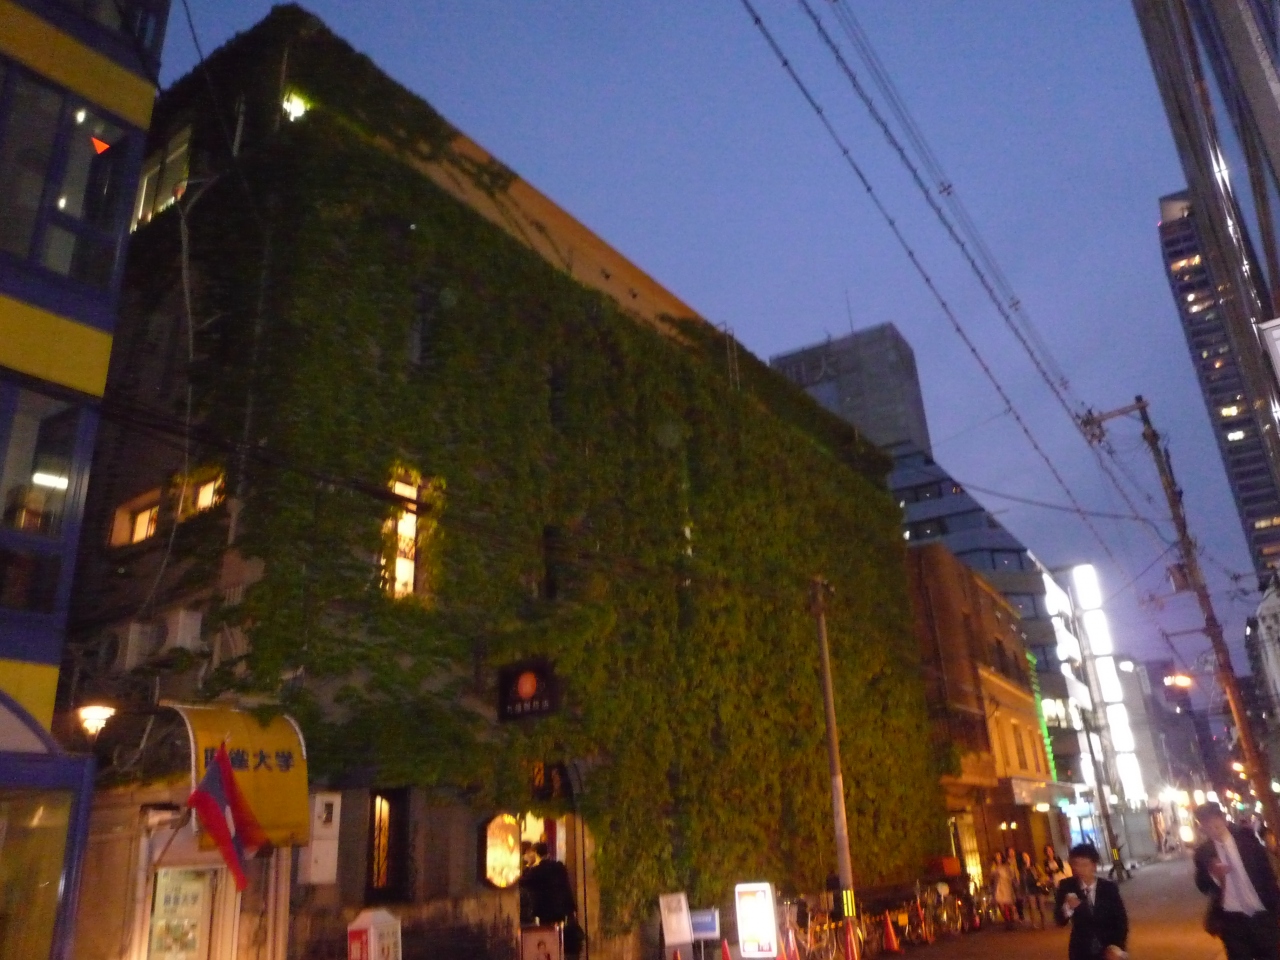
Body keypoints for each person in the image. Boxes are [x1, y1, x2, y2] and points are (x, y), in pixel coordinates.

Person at [1193, 802, 1280, 960]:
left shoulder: (1247, 840)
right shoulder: (1203, 853)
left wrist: (1275, 908)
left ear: (1224, 820)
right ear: (1202, 828)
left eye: (1216, 826)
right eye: (1208, 828)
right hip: (1232, 921)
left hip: (1262, 915)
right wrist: (1213, 874)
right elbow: (1202, 886)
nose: (1214, 832)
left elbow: (1266, 875)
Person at [1054, 842, 1128, 960]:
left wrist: (1117, 946)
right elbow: (1059, 920)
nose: (1080, 870)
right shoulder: (1067, 886)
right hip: (1080, 949)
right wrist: (1067, 907)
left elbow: (1121, 919)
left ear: (1094, 866)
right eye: (1076, 864)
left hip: (1108, 948)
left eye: (1085, 865)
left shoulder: (1108, 888)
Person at [523, 842, 581, 958]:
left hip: (544, 910)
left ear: (535, 853)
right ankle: (560, 954)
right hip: (561, 909)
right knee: (559, 934)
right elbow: (566, 886)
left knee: (547, 935)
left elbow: (523, 882)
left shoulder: (536, 871)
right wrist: (571, 908)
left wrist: (528, 865)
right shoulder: (559, 867)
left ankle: (553, 955)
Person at [1021, 850, 1050, 930]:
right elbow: (1023, 880)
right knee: (1032, 907)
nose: (1025, 858)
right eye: (1023, 857)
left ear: (1029, 857)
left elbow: (1043, 875)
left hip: (1038, 888)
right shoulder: (1023, 868)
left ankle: (1043, 923)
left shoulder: (1035, 865)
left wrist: (1040, 881)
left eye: (1026, 856)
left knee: (1041, 906)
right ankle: (1034, 924)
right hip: (1030, 889)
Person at [990, 851, 1017, 930]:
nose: (998, 858)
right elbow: (991, 877)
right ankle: (1007, 921)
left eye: (999, 856)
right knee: (1001, 905)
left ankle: (1011, 920)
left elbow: (1011, 875)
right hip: (998, 887)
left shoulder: (1006, 866)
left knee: (1009, 905)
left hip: (1006, 886)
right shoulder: (994, 867)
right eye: (996, 856)